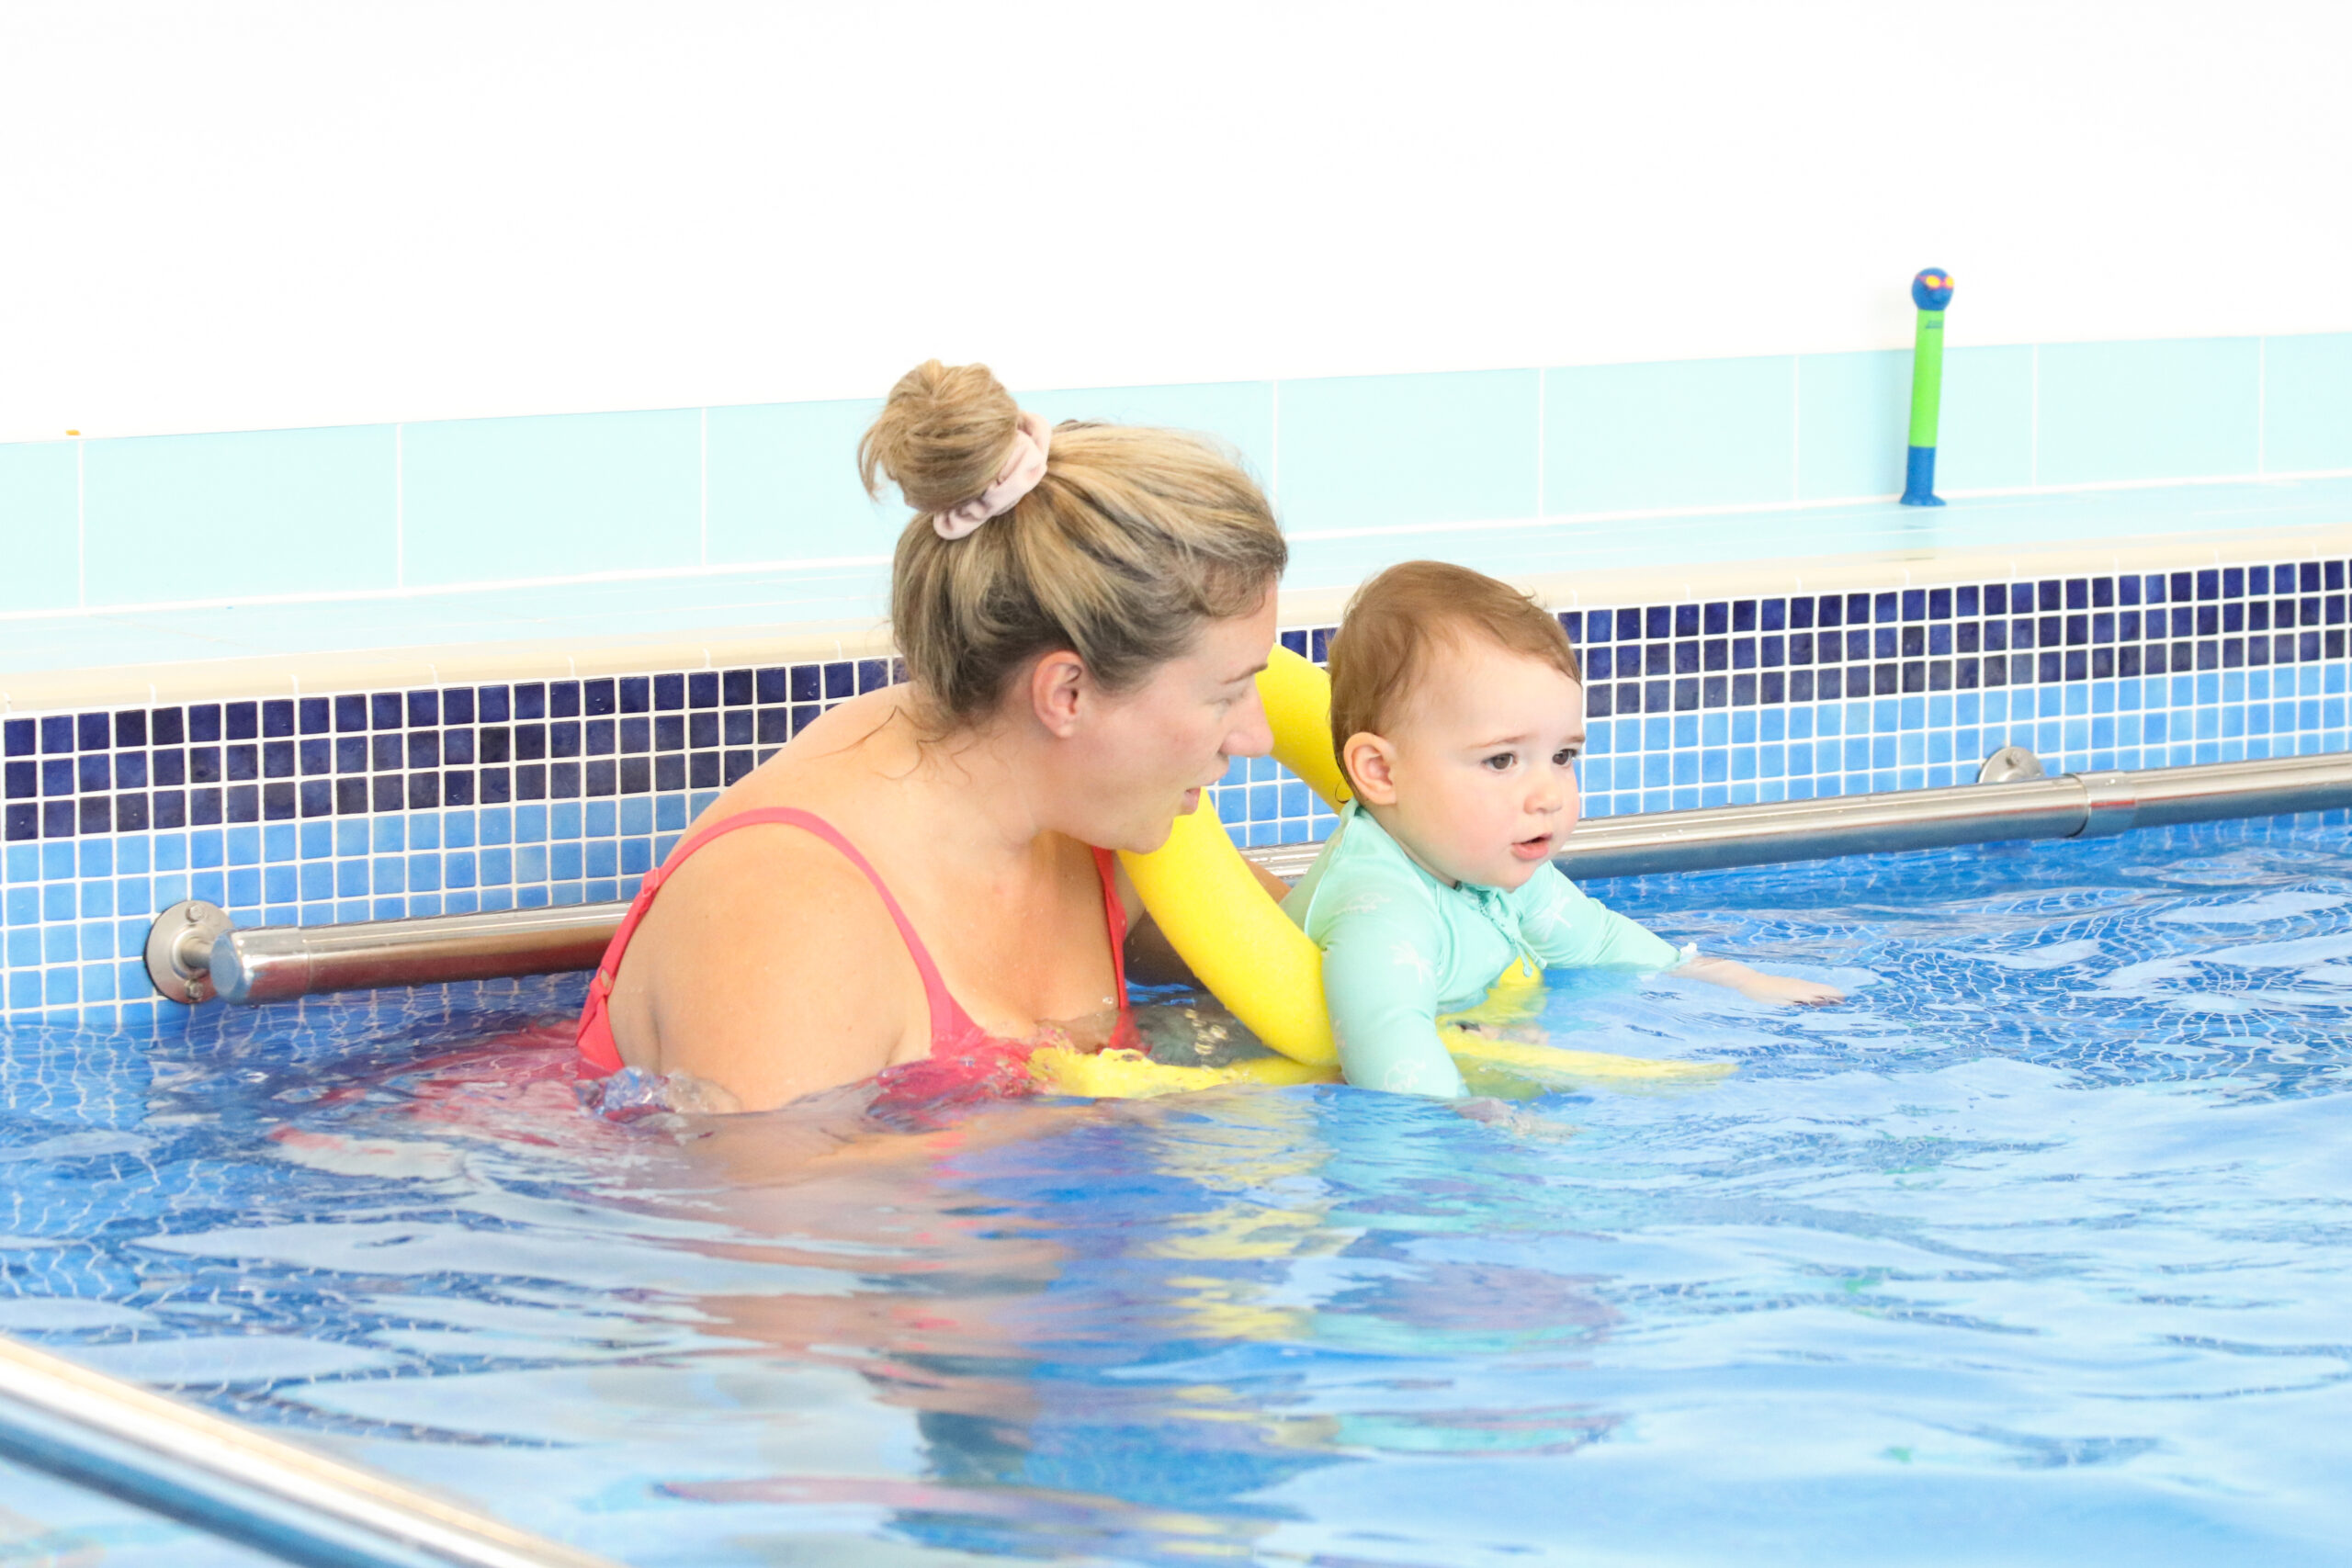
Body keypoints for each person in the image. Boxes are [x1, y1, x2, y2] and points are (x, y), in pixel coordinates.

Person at [576, 360, 1288, 1111]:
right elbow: (776, 1220)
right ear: (1067, 694)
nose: (1258, 736)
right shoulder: (793, 926)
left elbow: (1324, 965)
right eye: (1228, 693)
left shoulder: (1094, 815)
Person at [1283, 561, 1842, 1098]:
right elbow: (1391, 1052)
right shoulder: (1379, 910)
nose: (1549, 795)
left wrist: (1733, 979)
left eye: (1562, 755)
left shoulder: (1486, 865)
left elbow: (1599, 939)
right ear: (1381, 771)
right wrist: (1477, 1117)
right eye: (1502, 761)